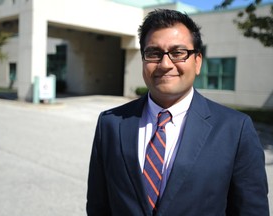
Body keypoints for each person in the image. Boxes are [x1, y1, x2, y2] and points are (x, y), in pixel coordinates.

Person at [86, 9, 269, 216]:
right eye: (154, 53)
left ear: (197, 61)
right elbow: (98, 206)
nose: (165, 64)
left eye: (178, 53)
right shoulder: (110, 123)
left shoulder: (235, 129)